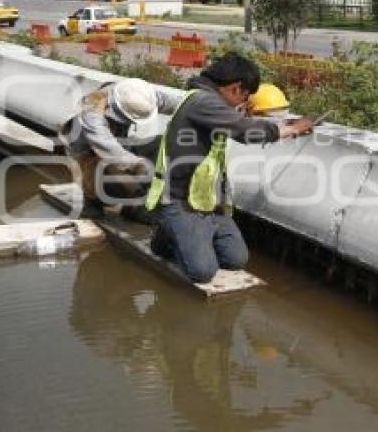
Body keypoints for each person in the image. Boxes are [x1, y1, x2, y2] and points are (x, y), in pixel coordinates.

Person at [145, 54, 314, 283]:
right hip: (178, 201)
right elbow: (245, 132)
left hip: (204, 201)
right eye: (245, 96)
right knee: (202, 272)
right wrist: (292, 129)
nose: (245, 102)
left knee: (236, 259)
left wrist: (257, 120)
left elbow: (237, 123)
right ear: (235, 88)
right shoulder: (204, 102)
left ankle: (187, 235)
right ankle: (166, 237)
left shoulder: (208, 101)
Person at [60, 78, 180, 215]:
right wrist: (139, 165)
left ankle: (137, 202)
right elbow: (110, 149)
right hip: (87, 154)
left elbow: (176, 103)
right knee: (113, 179)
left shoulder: (137, 94)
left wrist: (196, 105)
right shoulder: (91, 113)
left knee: (159, 144)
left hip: (117, 140)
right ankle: (91, 199)